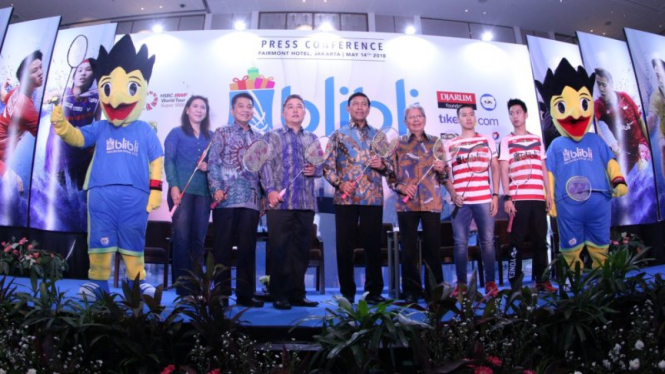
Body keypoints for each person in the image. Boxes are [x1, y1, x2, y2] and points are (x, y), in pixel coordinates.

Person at [51, 34, 162, 299]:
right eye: (108, 90)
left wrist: (156, 190)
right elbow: (78, 138)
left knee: (133, 239)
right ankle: (98, 282)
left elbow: (156, 160)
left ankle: (137, 281)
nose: (115, 100)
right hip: (100, 192)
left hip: (135, 194)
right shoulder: (101, 126)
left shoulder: (145, 130)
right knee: (100, 239)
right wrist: (63, 127)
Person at [323, 92, 389, 305]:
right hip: (346, 198)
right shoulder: (338, 135)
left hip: (372, 199)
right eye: (355, 104)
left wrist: (383, 166)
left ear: (369, 109)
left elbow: (390, 167)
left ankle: (373, 292)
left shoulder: (379, 136)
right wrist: (340, 183)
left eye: (364, 104)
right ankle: (347, 292)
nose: (360, 107)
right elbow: (327, 167)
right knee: (344, 247)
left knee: (373, 246)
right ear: (348, 109)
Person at [208, 92, 266, 308]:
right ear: (233, 111)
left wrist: (263, 199)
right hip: (225, 199)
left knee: (247, 249)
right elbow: (213, 163)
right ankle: (220, 294)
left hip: (251, 200)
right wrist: (216, 188)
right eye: (241, 106)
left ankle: (245, 294)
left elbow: (261, 170)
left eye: (249, 106)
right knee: (222, 248)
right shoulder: (221, 133)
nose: (245, 109)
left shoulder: (259, 137)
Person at [263, 94, 321, 310]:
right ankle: (279, 294)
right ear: (283, 112)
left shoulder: (312, 138)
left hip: (305, 203)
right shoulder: (272, 136)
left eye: (299, 107)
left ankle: (298, 293)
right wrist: (269, 190)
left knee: (301, 250)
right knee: (280, 249)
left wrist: (316, 170)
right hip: (280, 203)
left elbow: (321, 166)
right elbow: (264, 165)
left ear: (305, 113)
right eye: (290, 107)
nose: (295, 110)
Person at [388, 104, 445, 303]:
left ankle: (434, 292)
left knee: (433, 249)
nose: (415, 120)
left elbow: (444, 175)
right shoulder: (398, 144)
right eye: (411, 117)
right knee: (409, 250)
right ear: (405, 122)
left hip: (432, 204)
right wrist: (402, 188)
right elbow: (390, 176)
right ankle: (411, 292)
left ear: (424, 119)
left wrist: (442, 168)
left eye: (419, 116)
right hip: (407, 205)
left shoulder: (436, 143)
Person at [498, 98, 555, 292]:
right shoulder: (506, 141)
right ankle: (515, 282)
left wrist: (548, 194)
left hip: (538, 198)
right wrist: (507, 197)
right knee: (516, 242)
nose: (515, 116)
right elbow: (504, 170)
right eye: (511, 113)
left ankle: (542, 280)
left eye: (518, 112)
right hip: (518, 200)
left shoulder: (537, 139)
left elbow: (543, 166)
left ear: (526, 114)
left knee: (541, 241)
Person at [443, 104, 499, 297]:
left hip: (484, 198)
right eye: (464, 115)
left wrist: (495, 195)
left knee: (488, 242)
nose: (468, 118)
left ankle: (490, 283)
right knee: (460, 243)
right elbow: (445, 175)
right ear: (458, 119)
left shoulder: (486, 140)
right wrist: (452, 193)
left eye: (471, 114)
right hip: (460, 202)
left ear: (475, 118)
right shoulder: (450, 144)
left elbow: (495, 167)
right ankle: (461, 285)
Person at [165, 95, 212, 296]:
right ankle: (182, 286)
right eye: (195, 106)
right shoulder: (176, 134)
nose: (199, 110)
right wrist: (174, 187)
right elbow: (169, 162)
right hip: (181, 192)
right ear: (187, 110)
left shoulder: (211, 137)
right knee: (182, 239)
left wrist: (208, 166)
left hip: (203, 193)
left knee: (198, 241)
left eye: (203, 107)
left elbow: (216, 165)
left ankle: (196, 285)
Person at [45, 59, 101, 189]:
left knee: (78, 200)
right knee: (58, 200)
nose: (82, 73)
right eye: (79, 70)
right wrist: (49, 100)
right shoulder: (62, 94)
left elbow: (97, 124)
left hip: (81, 157)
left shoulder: (96, 98)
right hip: (59, 159)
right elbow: (47, 98)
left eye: (88, 70)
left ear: (94, 75)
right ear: (73, 76)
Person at [0, 50, 44, 190]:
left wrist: (3, 86)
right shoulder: (26, 108)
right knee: (17, 185)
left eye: (41, 67)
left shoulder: (17, 90)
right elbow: (47, 137)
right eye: (35, 70)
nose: (41, 73)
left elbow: (4, 97)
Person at [594, 68, 650, 174]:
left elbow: (640, 121)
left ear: (611, 84)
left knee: (643, 168)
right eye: (598, 84)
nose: (601, 89)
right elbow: (595, 124)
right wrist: (610, 144)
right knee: (618, 180)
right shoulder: (599, 105)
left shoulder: (624, 97)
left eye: (604, 85)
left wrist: (649, 143)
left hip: (640, 144)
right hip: (624, 151)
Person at [647, 59, 665, 179]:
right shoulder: (656, 96)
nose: (659, 79)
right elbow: (652, 117)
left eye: (661, 74)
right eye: (656, 75)